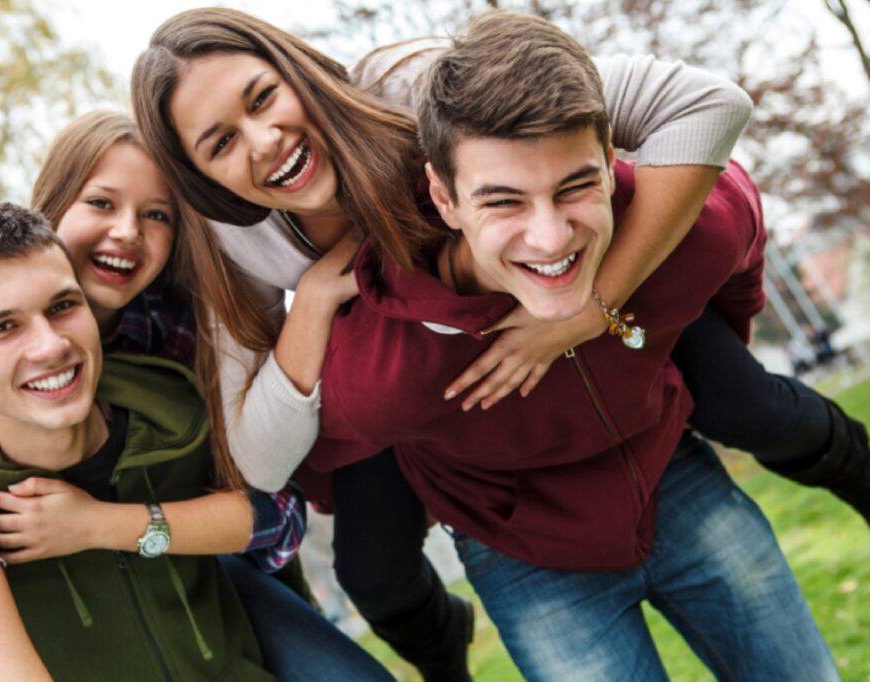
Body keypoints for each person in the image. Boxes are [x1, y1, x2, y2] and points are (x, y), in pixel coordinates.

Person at [132, 7, 867, 677]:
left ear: (295, 68)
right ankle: (443, 657)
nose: (263, 141)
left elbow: (708, 106)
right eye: (220, 142)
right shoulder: (239, 245)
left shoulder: (417, 88)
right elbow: (258, 454)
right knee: (374, 567)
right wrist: (319, 297)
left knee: (745, 401)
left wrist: (587, 309)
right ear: (199, 174)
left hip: (588, 284)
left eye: (263, 97)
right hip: (440, 353)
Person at [0, 113, 384, 681]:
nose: (127, 231)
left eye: (156, 215)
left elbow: (270, 503)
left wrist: (100, 524)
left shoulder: (179, 324)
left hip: (182, 547)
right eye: (100, 203)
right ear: (54, 204)